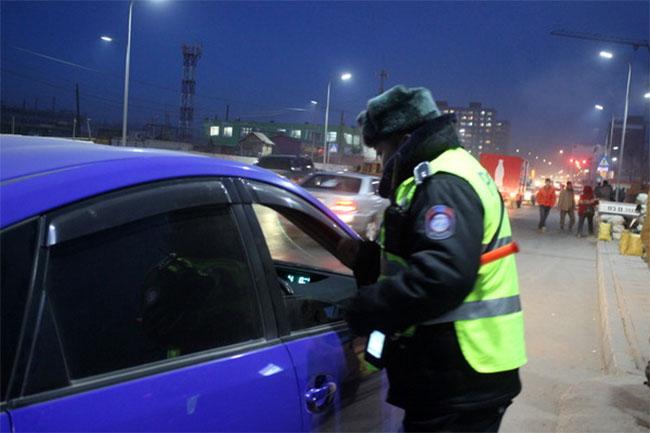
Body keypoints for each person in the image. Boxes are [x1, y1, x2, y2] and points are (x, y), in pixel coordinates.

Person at [341, 85, 526, 433]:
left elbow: (442, 275)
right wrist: (367, 261)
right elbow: (418, 256)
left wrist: (365, 307)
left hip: (461, 373)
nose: (382, 161)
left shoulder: (442, 181)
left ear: (405, 138)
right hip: (463, 371)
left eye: (382, 150)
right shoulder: (448, 170)